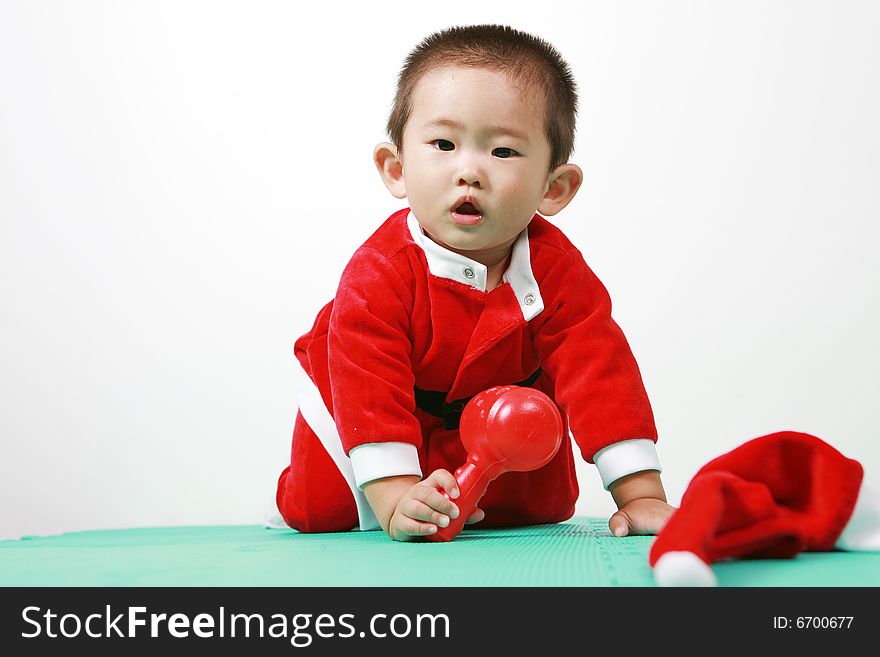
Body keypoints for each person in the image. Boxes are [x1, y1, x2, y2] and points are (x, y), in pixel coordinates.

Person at [275, 24, 675, 541]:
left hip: (494, 415)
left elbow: (600, 373)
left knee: (530, 511)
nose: (469, 171)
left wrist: (640, 493)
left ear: (554, 188)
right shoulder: (380, 270)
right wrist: (397, 495)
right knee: (320, 510)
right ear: (395, 168)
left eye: (503, 152)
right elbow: (367, 380)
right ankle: (355, 487)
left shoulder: (558, 271)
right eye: (443, 143)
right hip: (365, 405)